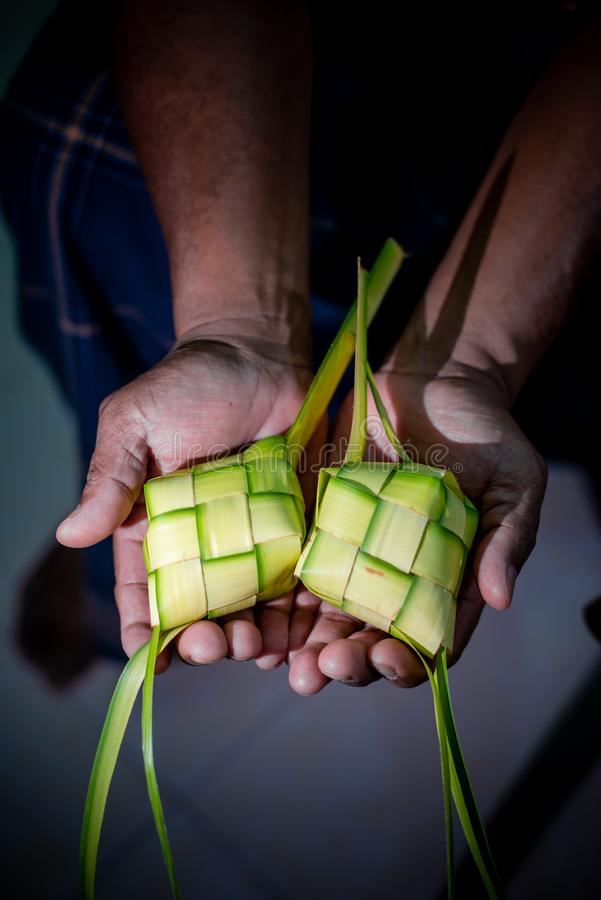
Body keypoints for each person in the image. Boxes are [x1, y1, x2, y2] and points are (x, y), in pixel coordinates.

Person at [2, 1, 600, 693]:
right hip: (245, 96)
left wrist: (475, 358)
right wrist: (231, 324)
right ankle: (104, 554)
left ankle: (107, 557)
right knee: (118, 345)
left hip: (531, 123)